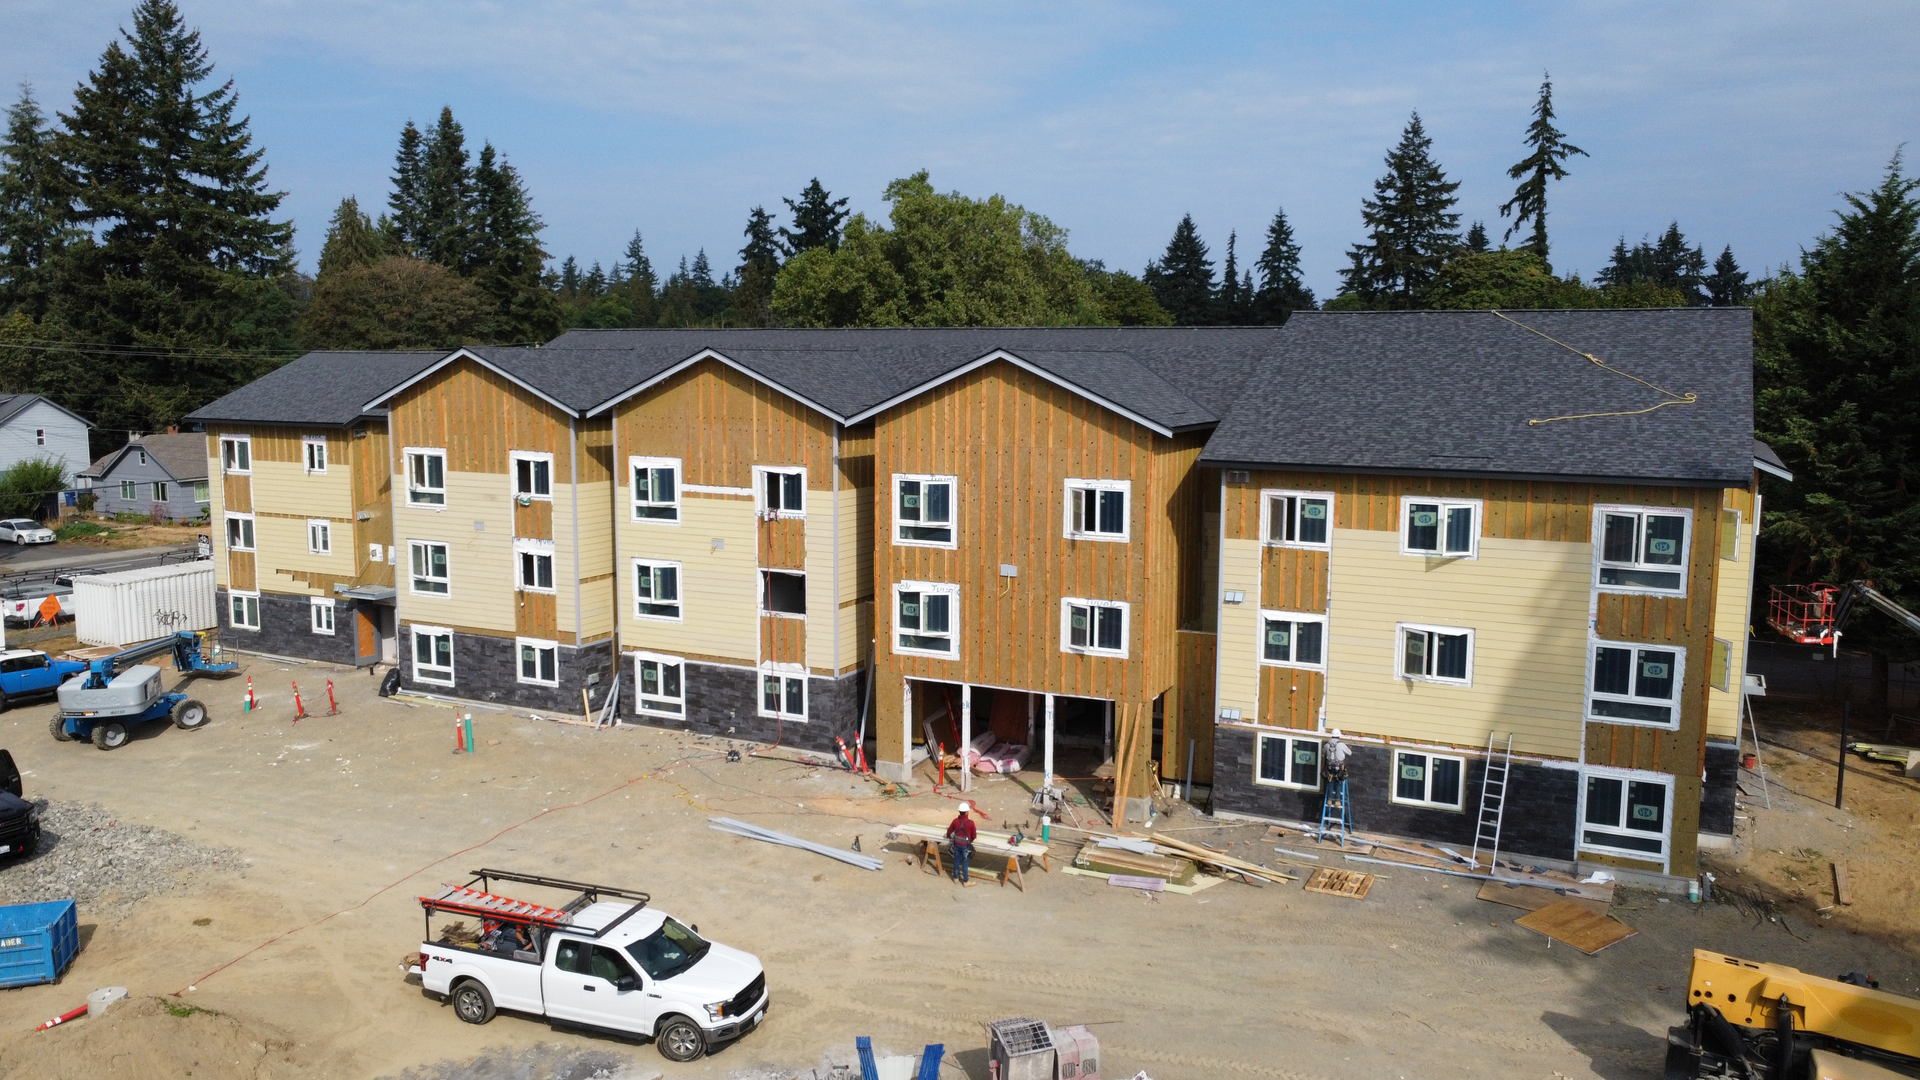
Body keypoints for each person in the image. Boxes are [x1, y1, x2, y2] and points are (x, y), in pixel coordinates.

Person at [945, 801, 978, 885]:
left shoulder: (955, 821)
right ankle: (966, 881)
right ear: (967, 812)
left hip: (956, 844)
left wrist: (949, 836)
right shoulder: (971, 823)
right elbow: (974, 835)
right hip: (965, 846)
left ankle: (956, 878)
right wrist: (970, 841)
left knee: (956, 860)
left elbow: (949, 832)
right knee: (965, 863)